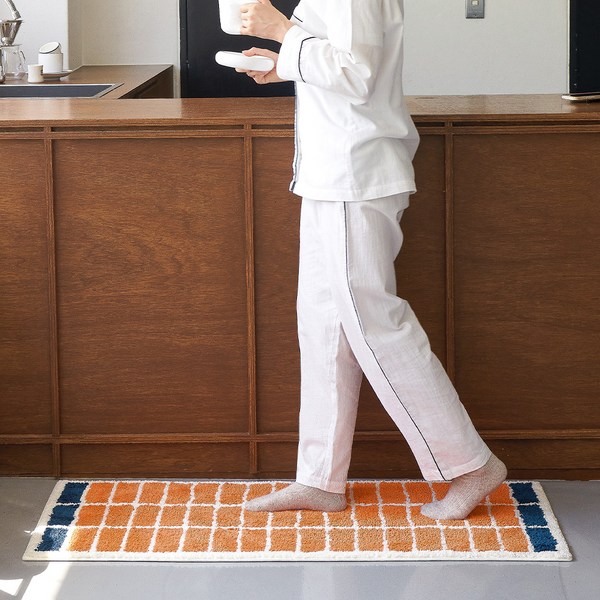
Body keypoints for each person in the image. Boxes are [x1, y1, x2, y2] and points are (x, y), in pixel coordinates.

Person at [237, 0, 507, 520]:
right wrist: (283, 63)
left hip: (354, 174)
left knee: (374, 324)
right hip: (330, 174)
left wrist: (283, 31)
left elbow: (357, 74)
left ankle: (471, 465)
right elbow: (345, 63)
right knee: (323, 325)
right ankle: (320, 479)